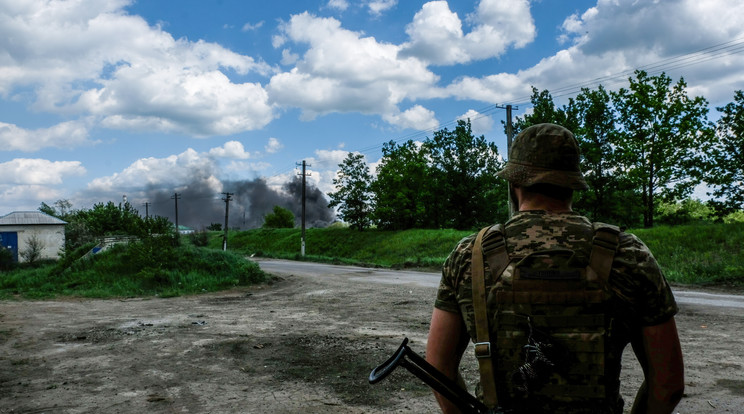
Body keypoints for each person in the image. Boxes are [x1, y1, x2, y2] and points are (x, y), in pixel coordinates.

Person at [426, 123, 684, 414]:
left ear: (514, 184)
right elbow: (668, 383)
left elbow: (438, 366)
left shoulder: (469, 255)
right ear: (572, 184)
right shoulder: (629, 253)